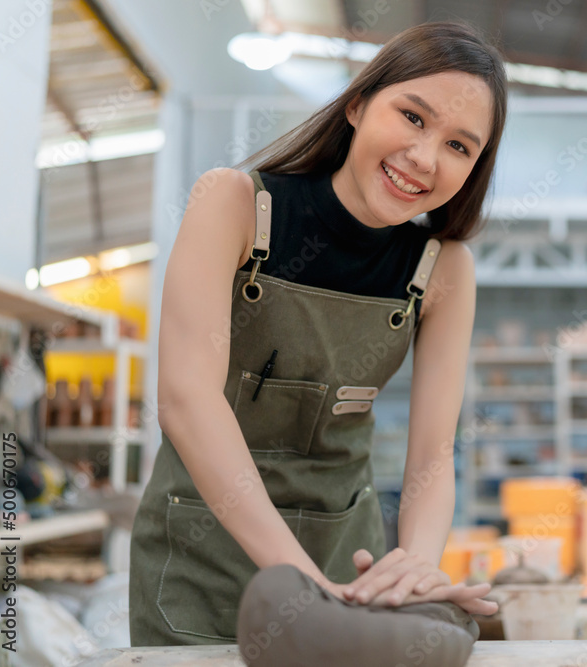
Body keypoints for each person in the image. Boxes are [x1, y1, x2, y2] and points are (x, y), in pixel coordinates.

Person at [129, 20, 507, 648]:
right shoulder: (236, 207)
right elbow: (187, 402)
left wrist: (411, 573)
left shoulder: (442, 269)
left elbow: (434, 455)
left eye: (460, 147)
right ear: (357, 104)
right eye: (413, 117)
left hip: (346, 568)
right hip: (199, 568)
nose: (424, 158)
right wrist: (301, 587)